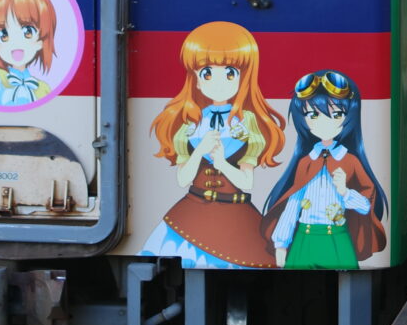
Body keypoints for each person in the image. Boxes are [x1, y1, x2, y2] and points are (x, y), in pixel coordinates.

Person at [141, 21, 285, 268]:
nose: (218, 82)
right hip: (190, 213)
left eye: (230, 73)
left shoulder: (248, 123)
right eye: (207, 72)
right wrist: (199, 151)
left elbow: (246, 182)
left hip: (235, 216)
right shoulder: (190, 123)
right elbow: (183, 179)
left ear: (243, 78)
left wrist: (221, 163)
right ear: (196, 79)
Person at [262, 69, 388, 268]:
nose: (323, 122)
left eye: (336, 114)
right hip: (305, 237)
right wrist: (281, 244)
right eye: (312, 115)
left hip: (337, 237)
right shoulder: (306, 162)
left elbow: (366, 205)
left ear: (349, 117)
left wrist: (345, 192)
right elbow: (293, 203)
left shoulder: (350, 161)